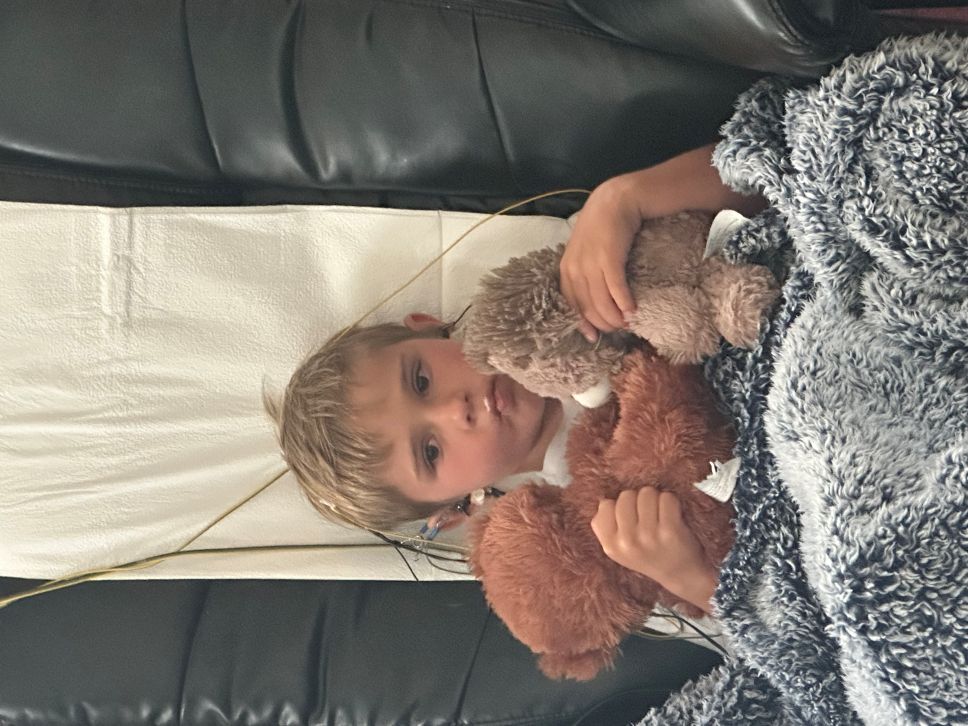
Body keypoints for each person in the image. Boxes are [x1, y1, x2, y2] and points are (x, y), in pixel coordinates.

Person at [267, 142, 764, 615]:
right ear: (455, 513)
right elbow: (785, 614)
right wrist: (689, 577)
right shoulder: (595, 524)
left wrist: (622, 200)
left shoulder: (574, 277)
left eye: (420, 381)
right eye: (431, 451)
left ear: (425, 326)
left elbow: (760, 173)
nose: (453, 410)